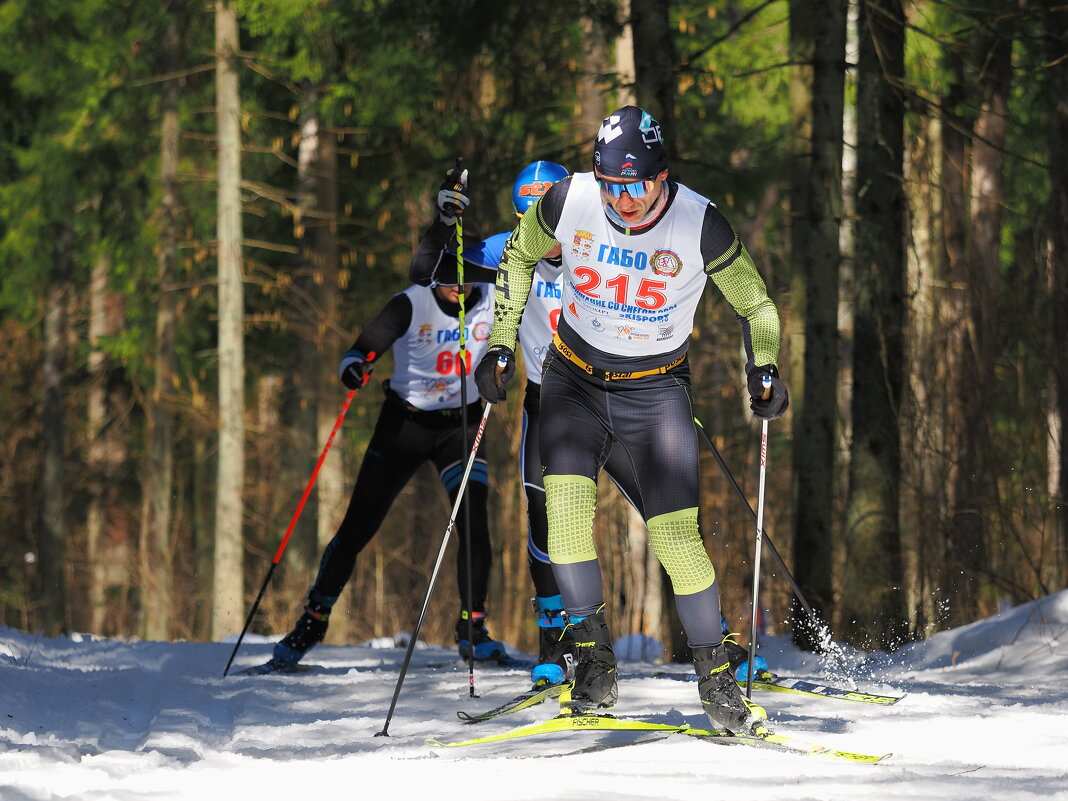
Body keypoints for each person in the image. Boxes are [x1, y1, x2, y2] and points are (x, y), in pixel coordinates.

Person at [473, 106, 789, 736]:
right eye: (612, 185)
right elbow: (514, 259)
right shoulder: (569, 200)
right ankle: (591, 664)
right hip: (574, 382)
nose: (625, 198)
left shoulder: (699, 223)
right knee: (562, 516)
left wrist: (767, 368)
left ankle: (716, 680)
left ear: (662, 175)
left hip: (655, 393)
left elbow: (756, 305)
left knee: (677, 540)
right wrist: (500, 344)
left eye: (637, 184)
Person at [411, 161, 646, 688]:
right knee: (544, 522)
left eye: (545, 217)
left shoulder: (611, 241)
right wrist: (444, 221)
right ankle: (555, 642)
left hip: (623, 396)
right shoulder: (506, 250)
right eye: (525, 218)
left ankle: (716, 635)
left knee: (665, 510)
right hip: (551, 403)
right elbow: (433, 272)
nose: (537, 233)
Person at [268, 196, 507, 670]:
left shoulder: (498, 298)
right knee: (360, 524)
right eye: (447, 278)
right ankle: (313, 620)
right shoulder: (411, 302)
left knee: (473, 518)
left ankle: (472, 627)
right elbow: (362, 348)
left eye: (466, 277)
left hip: (459, 425)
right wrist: (355, 367)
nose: (457, 289)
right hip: (406, 424)